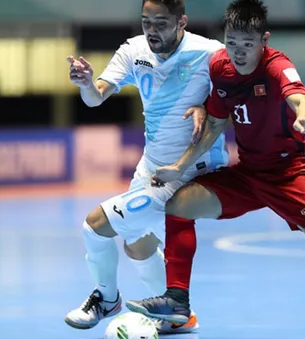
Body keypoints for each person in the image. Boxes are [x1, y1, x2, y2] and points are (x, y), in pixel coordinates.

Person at [125, 1, 305, 338]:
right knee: (179, 203)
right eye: (232, 43)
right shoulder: (220, 68)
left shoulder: (278, 66)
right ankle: (177, 301)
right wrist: (179, 167)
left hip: (290, 173)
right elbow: (215, 126)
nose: (238, 53)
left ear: (264, 40)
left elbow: (298, 97)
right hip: (248, 174)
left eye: (247, 45)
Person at [64, 0, 229, 334]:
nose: (152, 30)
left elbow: (234, 97)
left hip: (190, 171)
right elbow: (96, 96)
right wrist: (85, 83)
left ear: (181, 22)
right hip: (151, 167)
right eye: (146, 22)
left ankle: (107, 299)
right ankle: (178, 315)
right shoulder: (133, 50)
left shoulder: (210, 53)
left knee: (94, 225)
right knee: (136, 241)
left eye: (161, 23)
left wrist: (206, 106)